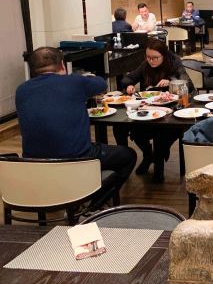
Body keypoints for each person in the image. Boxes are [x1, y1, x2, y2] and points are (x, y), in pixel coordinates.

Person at [15, 47, 136, 206]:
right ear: (62, 65)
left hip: (34, 164)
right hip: (76, 159)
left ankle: (63, 193)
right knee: (128, 156)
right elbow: (101, 84)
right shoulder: (74, 82)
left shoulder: (21, 90)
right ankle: (93, 204)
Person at [120, 38, 194, 182]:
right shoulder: (145, 65)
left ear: (164, 56)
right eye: (148, 57)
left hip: (171, 112)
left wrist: (171, 81)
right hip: (149, 111)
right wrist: (129, 85)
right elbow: (127, 79)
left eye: (155, 58)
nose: (151, 61)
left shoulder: (174, 64)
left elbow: (189, 85)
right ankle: (148, 156)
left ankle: (158, 167)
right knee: (134, 130)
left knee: (162, 133)